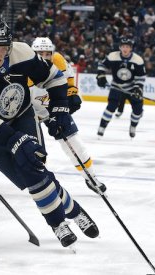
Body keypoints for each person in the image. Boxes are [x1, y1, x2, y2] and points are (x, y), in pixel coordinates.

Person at [0, 17, 98, 248]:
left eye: (4, 48)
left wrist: (60, 110)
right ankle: (74, 209)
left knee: (32, 165)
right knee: (27, 175)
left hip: (22, 114)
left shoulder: (21, 52)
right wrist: (17, 141)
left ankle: (57, 223)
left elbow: (54, 78)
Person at [30, 37, 106, 194]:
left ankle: (91, 177)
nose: (44, 57)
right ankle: (36, 182)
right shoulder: (24, 69)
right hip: (30, 112)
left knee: (74, 143)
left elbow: (70, 82)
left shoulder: (58, 60)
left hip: (54, 106)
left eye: (47, 53)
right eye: (40, 53)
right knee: (33, 151)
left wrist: (71, 95)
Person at [96, 36, 146, 138]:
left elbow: (141, 77)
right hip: (116, 86)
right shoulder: (113, 56)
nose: (125, 49)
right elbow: (102, 65)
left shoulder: (138, 60)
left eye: (127, 46)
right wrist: (101, 76)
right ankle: (101, 128)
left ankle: (133, 127)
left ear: (131, 48)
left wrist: (138, 88)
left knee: (138, 110)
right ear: (119, 47)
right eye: (123, 46)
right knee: (111, 107)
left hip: (132, 87)